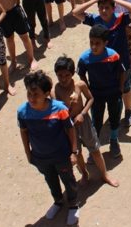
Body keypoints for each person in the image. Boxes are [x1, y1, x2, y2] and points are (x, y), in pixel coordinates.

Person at [18, 70, 79, 226]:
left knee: (68, 179)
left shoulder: (59, 109)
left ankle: (73, 204)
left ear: (46, 94)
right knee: (50, 180)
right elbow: (24, 132)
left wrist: (74, 152)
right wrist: (28, 153)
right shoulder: (22, 112)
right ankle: (58, 201)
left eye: (36, 94)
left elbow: (70, 130)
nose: (32, 98)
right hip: (40, 157)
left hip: (62, 155)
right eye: (29, 94)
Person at [73, 0, 131, 130]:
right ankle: (115, 113)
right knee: (110, 90)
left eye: (107, 7)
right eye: (101, 7)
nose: (104, 10)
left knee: (125, 88)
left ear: (113, 8)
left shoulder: (120, 18)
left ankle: (128, 110)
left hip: (121, 63)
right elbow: (75, 12)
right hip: (103, 65)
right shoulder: (95, 20)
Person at [53, 56, 119, 187]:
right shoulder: (55, 91)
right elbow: (58, 111)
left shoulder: (80, 85)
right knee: (77, 152)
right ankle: (84, 173)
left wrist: (82, 114)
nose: (63, 79)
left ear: (72, 74)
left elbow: (90, 99)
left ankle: (105, 174)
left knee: (95, 149)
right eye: (60, 75)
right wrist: (68, 106)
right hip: (69, 126)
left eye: (67, 75)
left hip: (84, 122)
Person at [76, 24, 125, 159]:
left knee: (115, 117)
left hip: (113, 92)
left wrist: (120, 89)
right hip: (96, 94)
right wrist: (87, 91)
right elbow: (81, 74)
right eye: (91, 42)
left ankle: (114, 140)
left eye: (97, 43)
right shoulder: (84, 58)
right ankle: (94, 147)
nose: (93, 46)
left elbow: (122, 72)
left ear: (105, 43)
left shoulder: (113, 56)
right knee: (96, 121)